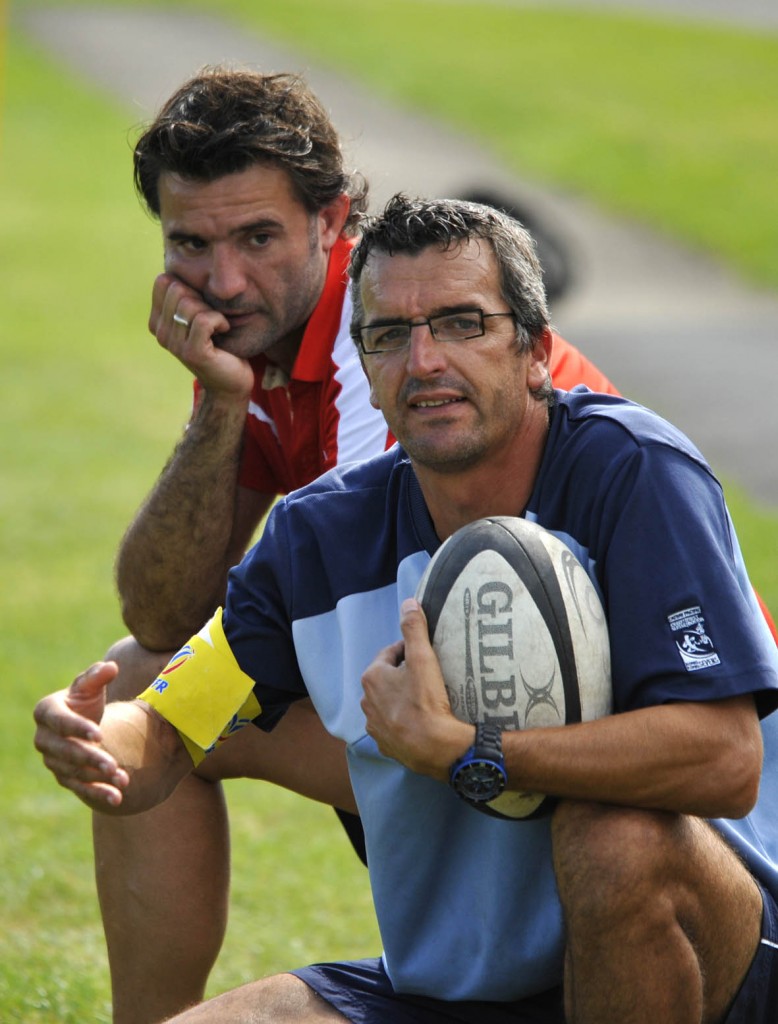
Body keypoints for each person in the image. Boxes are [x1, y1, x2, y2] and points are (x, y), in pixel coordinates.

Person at [35, 195, 778, 1023]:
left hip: (717, 959)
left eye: (463, 324)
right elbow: (176, 725)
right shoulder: (319, 535)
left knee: (617, 839)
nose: (423, 361)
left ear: (534, 352)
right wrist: (103, 743)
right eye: (389, 336)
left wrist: (469, 750)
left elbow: (725, 759)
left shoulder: (630, 471)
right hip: (453, 986)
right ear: (367, 367)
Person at [81, 67, 621, 1024]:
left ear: (333, 223)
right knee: (140, 687)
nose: (223, 280)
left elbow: (394, 652)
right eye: (190, 245)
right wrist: (219, 401)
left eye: (257, 238)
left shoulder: (383, 346)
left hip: (611, 745)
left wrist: (174, 708)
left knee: (161, 695)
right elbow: (164, 612)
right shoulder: (266, 353)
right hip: (509, 704)